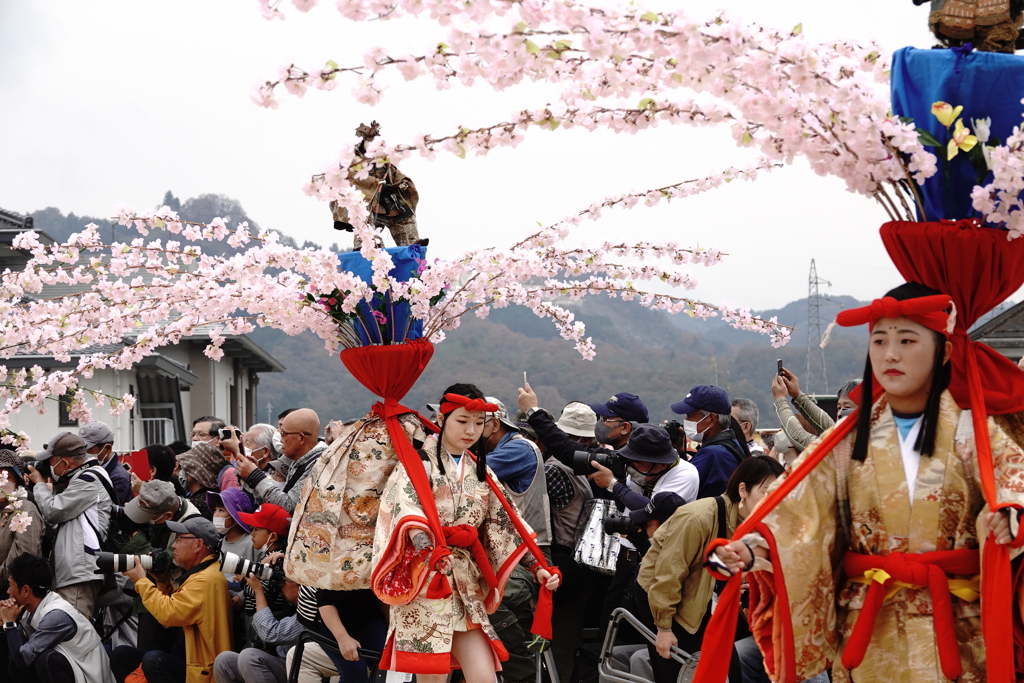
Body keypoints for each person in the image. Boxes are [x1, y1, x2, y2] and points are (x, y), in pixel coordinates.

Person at [711, 282, 1024, 683]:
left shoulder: (973, 431)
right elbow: (799, 512)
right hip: (868, 628)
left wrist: (1010, 515)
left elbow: (1012, 480)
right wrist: (753, 547)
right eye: (879, 341)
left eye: (907, 340)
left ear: (944, 351)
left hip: (959, 624)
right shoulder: (843, 443)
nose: (890, 354)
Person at [370, 383, 560, 682]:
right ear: (443, 418)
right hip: (427, 581)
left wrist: (537, 567)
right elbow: (406, 513)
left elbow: (505, 524)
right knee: (432, 678)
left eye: (479, 423)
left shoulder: (481, 470)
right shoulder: (417, 463)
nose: (471, 430)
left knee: (483, 676)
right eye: (462, 421)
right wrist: (429, 551)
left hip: (466, 583)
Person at [636, 456, 785, 683]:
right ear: (743, 489)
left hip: (700, 598)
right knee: (682, 674)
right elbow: (668, 574)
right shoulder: (698, 517)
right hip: (661, 597)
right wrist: (663, 629)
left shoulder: (751, 521)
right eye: (766, 491)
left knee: (731, 671)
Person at [479, 397, 551, 683]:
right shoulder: (511, 446)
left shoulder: (518, 449)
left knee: (482, 599)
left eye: (475, 423)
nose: (470, 432)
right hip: (510, 552)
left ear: (494, 424)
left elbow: (471, 474)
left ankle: (520, 669)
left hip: (531, 555)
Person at [117, 516, 232, 683]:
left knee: (154, 661)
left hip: (202, 671)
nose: (173, 545)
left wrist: (141, 580)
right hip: (185, 659)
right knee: (122, 656)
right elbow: (178, 607)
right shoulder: (201, 572)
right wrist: (162, 581)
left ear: (198, 545)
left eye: (179, 538)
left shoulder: (206, 579)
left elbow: (169, 615)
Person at [25, 432, 114, 619]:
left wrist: (40, 484)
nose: (49, 467)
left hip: (80, 570)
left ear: (64, 463)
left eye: (51, 462)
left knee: (74, 630)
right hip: (75, 569)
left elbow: (53, 511)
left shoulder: (90, 479)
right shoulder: (80, 478)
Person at [121, 479, 205, 655]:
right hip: (158, 591)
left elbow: (162, 562)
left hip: (173, 597)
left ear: (167, 516)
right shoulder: (168, 504)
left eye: (147, 517)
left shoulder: (190, 525)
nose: (143, 520)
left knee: (154, 655)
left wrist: (136, 535)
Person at [2, 553, 115, 683]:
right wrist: (5, 621)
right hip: (75, 671)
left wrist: (9, 623)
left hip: (90, 677)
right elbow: (18, 654)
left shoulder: (56, 615)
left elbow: (23, 658)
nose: (8, 592)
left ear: (26, 590)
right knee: (15, 666)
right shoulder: (33, 608)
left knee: (46, 659)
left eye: (10, 586)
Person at [516, 387, 646, 468]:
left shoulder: (631, 459)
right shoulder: (621, 456)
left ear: (624, 427)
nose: (600, 423)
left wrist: (532, 411)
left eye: (605, 419)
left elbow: (569, 451)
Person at [214, 567, 303, 683]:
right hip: (284, 660)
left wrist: (258, 591)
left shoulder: (313, 609)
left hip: (298, 669)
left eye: (284, 581)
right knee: (224, 660)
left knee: (249, 657)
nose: (280, 585)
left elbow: (270, 633)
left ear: (300, 585)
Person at [235, 409, 327, 514]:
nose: (280, 440)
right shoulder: (299, 461)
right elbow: (271, 506)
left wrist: (255, 476)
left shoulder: (319, 464)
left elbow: (290, 508)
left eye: (283, 434)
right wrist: (252, 478)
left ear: (301, 438)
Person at [670, 385, 750, 500]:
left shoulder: (713, 454)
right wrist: (680, 450)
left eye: (690, 415)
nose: (686, 420)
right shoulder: (732, 444)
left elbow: (678, 491)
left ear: (712, 419)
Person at [0, 451, 43, 598]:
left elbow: (23, 560)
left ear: (18, 481)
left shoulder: (25, 509)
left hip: (13, 595)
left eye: (6, 477)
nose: (1, 482)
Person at [79, 421, 132, 505]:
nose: (84, 455)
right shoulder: (90, 467)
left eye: (88, 451)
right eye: (82, 450)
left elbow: (105, 509)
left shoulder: (118, 477)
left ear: (107, 448)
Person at [176, 443, 227, 519]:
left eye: (185, 467)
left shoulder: (197, 503)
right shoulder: (212, 497)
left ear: (195, 472)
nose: (181, 471)